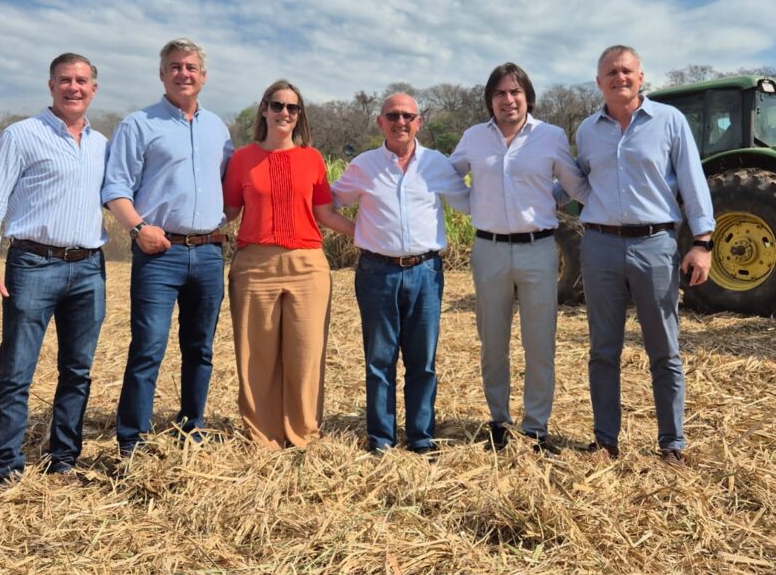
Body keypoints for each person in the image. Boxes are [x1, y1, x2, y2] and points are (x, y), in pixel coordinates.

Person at [0, 53, 107, 489]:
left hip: (89, 268)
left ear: (93, 89)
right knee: (17, 370)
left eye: (81, 81)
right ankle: (5, 469)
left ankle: (62, 460)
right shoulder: (21, 135)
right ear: (51, 86)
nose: (73, 87)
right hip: (33, 264)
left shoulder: (103, 145)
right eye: (65, 80)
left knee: (78, 371)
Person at [575, 45, 714, 466]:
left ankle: (672, 443)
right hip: (599, 245)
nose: (620, 77)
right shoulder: (587, 131)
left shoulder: (669, 121)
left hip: (655, 245)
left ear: (641, 77)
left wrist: (703, 242)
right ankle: (605, 441)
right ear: (598, 82)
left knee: (664, 348)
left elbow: (692, 180)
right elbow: (578, 183)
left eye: (627, 70)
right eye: (611, 72)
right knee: (603, 349)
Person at [103, 38, 234, 457]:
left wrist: (222, 221)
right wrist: (139, 228)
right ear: (162, 74)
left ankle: (192, 426)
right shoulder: (138, 124)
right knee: (149, 346)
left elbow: (229, 186)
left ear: (204, 77)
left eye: (191, 67)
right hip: (159, 253)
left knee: (201, 347)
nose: (183, 74)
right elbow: (115, 188)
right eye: (175, 67)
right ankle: (132, 439)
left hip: (209, 253)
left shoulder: (218, 129)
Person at [449, 63, 587, 453]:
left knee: (539, 343)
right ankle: (499, 421)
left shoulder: (550, 136)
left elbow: (574, 185)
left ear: (528, 96)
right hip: (488, 250)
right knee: (493, 343)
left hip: (538, 250)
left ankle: (536, 427)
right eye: (499, 93)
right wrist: (472, 205)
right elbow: (447, 176)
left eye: (515, 92)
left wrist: (549, 199)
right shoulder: (474, 138)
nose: (508, 100)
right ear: (489, 100)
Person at [333, 93, 470, 455]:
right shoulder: (364, 165)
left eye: (408, 116)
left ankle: (421, 436)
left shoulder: (437, 164)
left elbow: (468, 203)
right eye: (393, 115)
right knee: (380, 360)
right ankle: (382, 438)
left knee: (423, 360)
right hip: (377, 272)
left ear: (419, 122)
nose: (401, 122)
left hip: (426, 272)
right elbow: (327, 205)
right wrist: (360, 233)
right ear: (381, 122)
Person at [223, 80, 354, 449]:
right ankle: (262, 435)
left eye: (292, 108)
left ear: (299, 115)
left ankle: (303, 432)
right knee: (256, 354)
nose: (284, 113)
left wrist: (370, 233)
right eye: (277, 105)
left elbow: (325, 213)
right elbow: (228, 212)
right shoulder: (242, 159)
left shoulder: (312, 159)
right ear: (264, 109)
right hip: (254, 266)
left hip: (308, 266)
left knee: (305, 353)